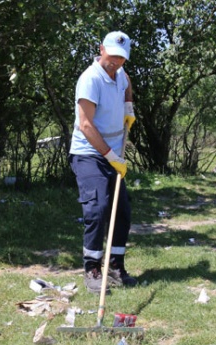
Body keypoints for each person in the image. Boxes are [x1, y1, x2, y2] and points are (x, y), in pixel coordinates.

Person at [68, 31, 138, 294]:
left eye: (121, 58)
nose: (116, 62)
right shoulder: (90, 79)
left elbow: (126, 81)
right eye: (112, 56)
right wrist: (111, 157)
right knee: (98, 208)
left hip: (112, 152)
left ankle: (115, 266)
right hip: (89, 153)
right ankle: (93, 269)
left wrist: (128, 107)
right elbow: (85, 125)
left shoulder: (120, 74)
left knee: (122, 211)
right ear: (101, 49)